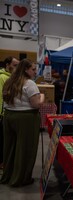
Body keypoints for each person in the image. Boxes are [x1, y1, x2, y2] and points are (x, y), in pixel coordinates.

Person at [0, 59, 45, 187]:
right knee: (25, 149)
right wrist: (42, 96)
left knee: (10, 148)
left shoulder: (10, 81)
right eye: (33, 69)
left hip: (9, 116)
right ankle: (21, 178)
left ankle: (8, 175)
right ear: (26, 70)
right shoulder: (30, 83)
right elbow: (36, 104)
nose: (36, 72)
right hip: (25, 118)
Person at [0, 56, 19, 169]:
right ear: (7, 65)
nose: (16, 68)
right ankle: (2, 163)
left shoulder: (12, 77)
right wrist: (2, 111)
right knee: (2, 140)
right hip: (3, 113)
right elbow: (2, 96)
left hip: (8, 112)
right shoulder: (2, 77)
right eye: (14, 65)